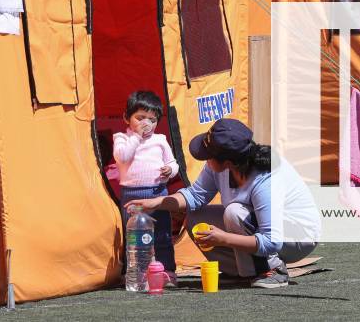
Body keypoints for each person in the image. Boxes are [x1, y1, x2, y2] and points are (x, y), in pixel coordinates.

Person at [126, 118, 321, 289]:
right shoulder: (223, 165)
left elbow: (272, 240)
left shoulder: (264, 178)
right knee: (196, 217)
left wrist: (224, 238)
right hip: (259, 226)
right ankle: (243, 270)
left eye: (208, 155)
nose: (205, 158)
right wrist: (157, 202)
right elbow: (195, 197)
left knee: (234, 213)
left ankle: (273, 271)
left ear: (227, 161)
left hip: (297, 237)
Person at [114, 90, 179, 285]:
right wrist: (136, 137)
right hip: (132, 195)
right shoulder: (122, 138)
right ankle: (137, 273)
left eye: (152, 119)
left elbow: (173, 162)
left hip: (157, 193)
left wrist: (171, 170)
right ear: (126, 118)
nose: (146, 124)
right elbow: (123, 157)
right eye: (140, 118)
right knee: (135, 235)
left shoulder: (160, 140)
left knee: (162, 234)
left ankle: (167, 270)